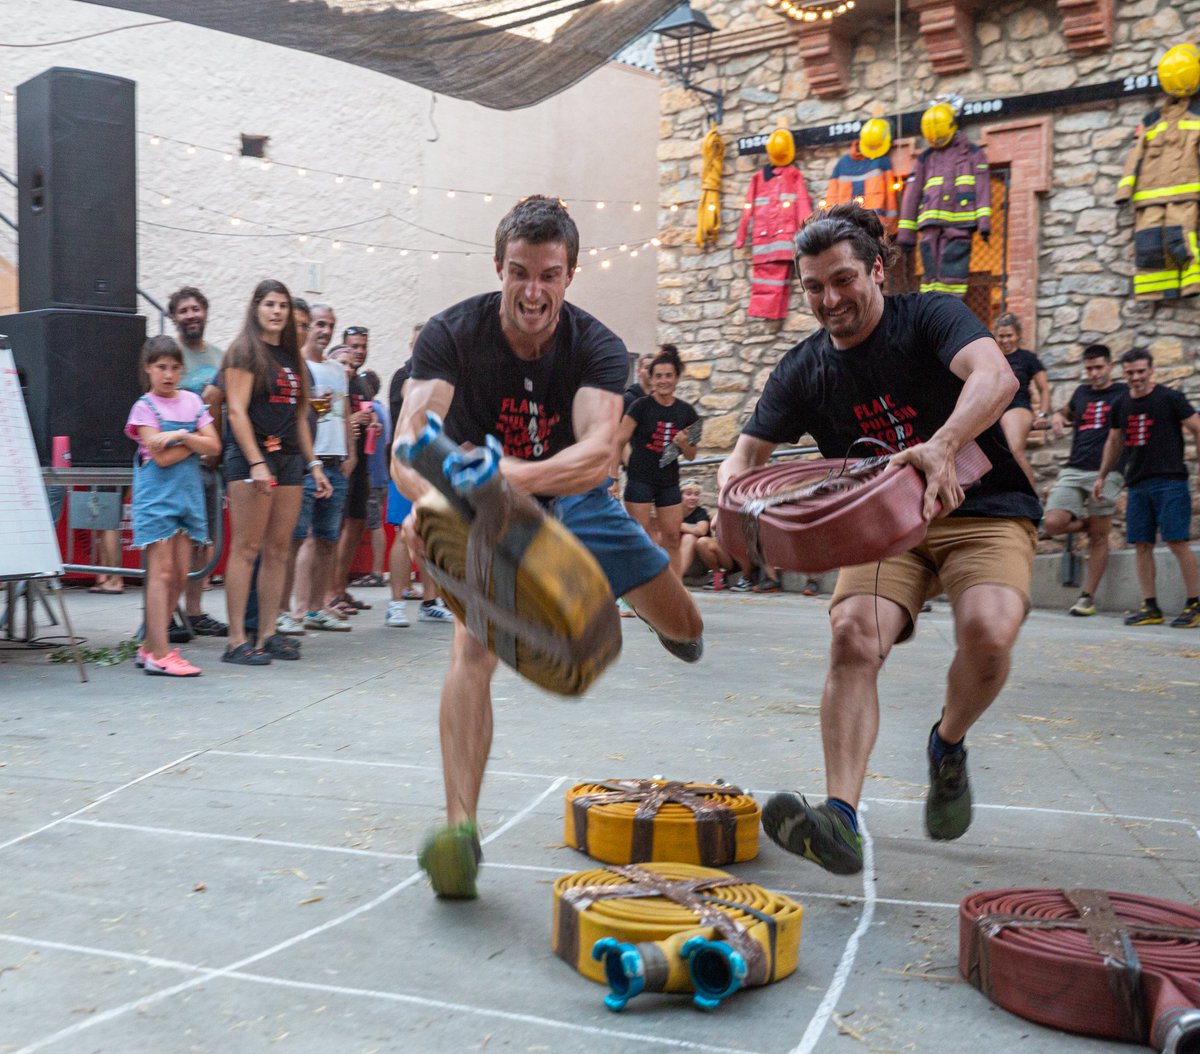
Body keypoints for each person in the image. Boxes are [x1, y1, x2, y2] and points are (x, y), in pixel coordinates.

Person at [393, 194, 704, 899]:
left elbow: (596, 455)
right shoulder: (450, 334)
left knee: (687, 628)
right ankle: (460, 831)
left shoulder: (596, 344)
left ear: (570, 275)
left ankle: (663, 620)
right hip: (483, 510)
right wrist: (436, 504)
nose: (532, 291)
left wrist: (508, 479)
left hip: (576, 499)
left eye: (549, 275)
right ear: (498, 267)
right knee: (473, 649)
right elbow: (409, 442)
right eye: (519, 272)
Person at [719, 202, 1040, 876]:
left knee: (988, 635)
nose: (829, 299)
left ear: (877, 271)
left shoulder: (930, 317)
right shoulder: (803, 368)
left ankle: (947, 744)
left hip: (981, 507)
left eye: (843, 280)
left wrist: (943, 445)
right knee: (852, 638)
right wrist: (737, 508)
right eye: (813, 286)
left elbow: (996, 377)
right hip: (879, 528)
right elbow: (743, 459)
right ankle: (839, 818)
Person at [221, 279, 331, 665]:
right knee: (246, 548)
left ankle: (268, 633)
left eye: (282, 305)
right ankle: (236, 640)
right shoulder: (243, 351)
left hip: (289, 460)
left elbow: (300, 416)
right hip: (250, 458)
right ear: (256, 308)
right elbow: (236, 411)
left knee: (279, 550)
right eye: (270, 304)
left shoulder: (291, 357)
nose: (277, 311)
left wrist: (314, 464)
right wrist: (255, 461)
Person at [124, 336, 221, 676]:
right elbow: (160, 457)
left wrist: (180, 436)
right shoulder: (143, 407)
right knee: (161, 572)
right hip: (157, 500)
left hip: (187, 498)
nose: (168, 374)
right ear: (148, 369)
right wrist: (195, 441)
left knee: (180, 574)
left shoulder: (193, 401)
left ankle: (151, 646)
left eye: (175, 367)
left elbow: (215, 446)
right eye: (161, 367)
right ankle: (161, 651)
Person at [1094, 348, 1200, 629]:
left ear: (1151, 370)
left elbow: (1197, 427)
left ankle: (1195, 604)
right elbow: (1114, 441)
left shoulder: (1170, 398)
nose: (1136, 377)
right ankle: (1150, 606)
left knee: (1177, 542)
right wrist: (1102, 475)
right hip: (1137, 483)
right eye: (1130, 372)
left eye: (1141, 371)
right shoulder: (1120, 404)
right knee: (1141, 544)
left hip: (1171, 481)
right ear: (1123, 372)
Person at [282, 307, 357, 635]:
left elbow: (346, 412)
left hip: (336, 463)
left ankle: (316, 608)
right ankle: (289, 610)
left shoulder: (337, 370)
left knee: (328, 538)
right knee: (296, 539)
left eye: (330, 325)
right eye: (320, 324)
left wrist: (351, 453)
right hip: (305, 463)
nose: (325, 331)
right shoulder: (296, 365)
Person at [1043, 344, 1128, 616]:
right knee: (1052, 522)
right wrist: (1058, 417)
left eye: (1099, 367)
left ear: (1110, 366)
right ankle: (1090, 524)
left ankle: (1087, 597)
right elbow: (1065, 412)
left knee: (1099, 538)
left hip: (1108, 470)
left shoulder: (1123, 393)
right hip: (1074, 467)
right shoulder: (1081, 392)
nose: (1094, 373)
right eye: (1089, 368)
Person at [383, 326, 453, 629]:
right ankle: (396, 605)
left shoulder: (446, 376)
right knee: (403, 532)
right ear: (413, 345)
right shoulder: (406, 375)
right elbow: (413, 397)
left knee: (431, 533)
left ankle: (430, 602)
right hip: (407, 464)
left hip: (436, 465)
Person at [168, 285, 228, 635]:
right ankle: (165, 614)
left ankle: (194, 612)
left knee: (202, 540)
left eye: (195, 309)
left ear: (205, 312)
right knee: (173, 540)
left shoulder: (220, 357)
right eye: (183, 311)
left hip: (209, 463)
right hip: (176, 462)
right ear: (174, 317)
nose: (191, 315)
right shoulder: (168, 355)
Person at [617, 346, 700, 578]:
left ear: (677, 378)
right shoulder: (639, 406)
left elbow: (692, 454)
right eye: (659, 376)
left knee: (672, 537)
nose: (664, 381)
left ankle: (676, 590)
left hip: (669, 482)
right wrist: (612, 478)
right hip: (639, 479)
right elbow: (618, 441)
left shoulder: (688, 412)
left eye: (668, 376)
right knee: (640, 538)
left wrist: (684, 444)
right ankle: (637, 590)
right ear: (651, 379)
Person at [330, 328, 377, 614]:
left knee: (357, 524)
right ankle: (330, 592)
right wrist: (352, 420)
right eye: (353, 347)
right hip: (339, 462)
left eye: (362, 347)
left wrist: (372, 423)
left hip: (361, 463)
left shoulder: (362, 383)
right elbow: (324, 417)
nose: (358, 352)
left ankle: (340, 588)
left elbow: (364, 415)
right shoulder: (333, 380)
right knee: (333, 530)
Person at [993, 313, 1049, 491]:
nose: (1005, 340)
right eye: (1001, 336)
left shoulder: (1027, 358)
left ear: (1017, 335)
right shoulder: (992, 358)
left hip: (1017, 406)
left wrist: (1043, 414)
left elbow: (1044, 389)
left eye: (1009, 335)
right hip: (992, 409)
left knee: (1014, 451)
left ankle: (1033, 500)